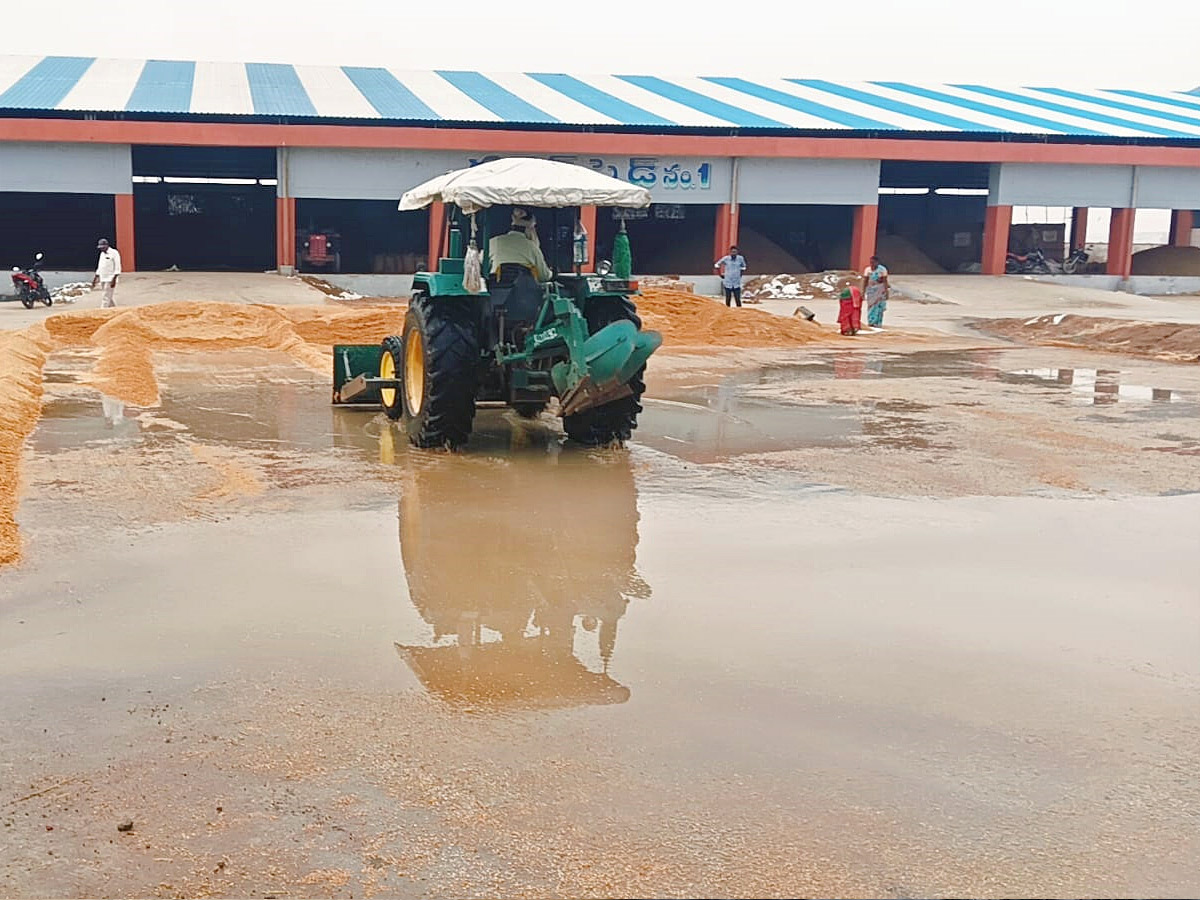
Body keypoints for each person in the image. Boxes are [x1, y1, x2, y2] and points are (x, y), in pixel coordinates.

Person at [488, 208, 550, 282]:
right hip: (526, 291)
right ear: (529, 229)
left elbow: (481, 264)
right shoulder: (532, 247)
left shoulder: (493, 242)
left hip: (497, 290)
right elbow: (544, 276)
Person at [91, 238, 122, 308]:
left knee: (105, 296)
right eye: (100, 248)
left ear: (107, 245)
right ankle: (114, 309)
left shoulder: (114, 253)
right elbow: (100, 266)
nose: (102, 249)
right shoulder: (102, 254)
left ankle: (102, 311)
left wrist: (114, 279)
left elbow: (118, 266)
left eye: (103, 247)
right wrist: (96, 278)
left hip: (110, 278)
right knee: (108, 296)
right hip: (103, 278)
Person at [861, 255, 889, 328]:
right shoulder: (867, 270)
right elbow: (865, 281)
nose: (872, 264)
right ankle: (871, 322)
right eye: (871, 263)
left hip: (880, 290)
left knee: (879, 307)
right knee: (871, 306)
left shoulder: (883, 270)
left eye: (873, 262)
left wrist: (886, 292)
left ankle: (878, 323)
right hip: (871, 291)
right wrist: (863, 292)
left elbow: (885, 281)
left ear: (877, 262)